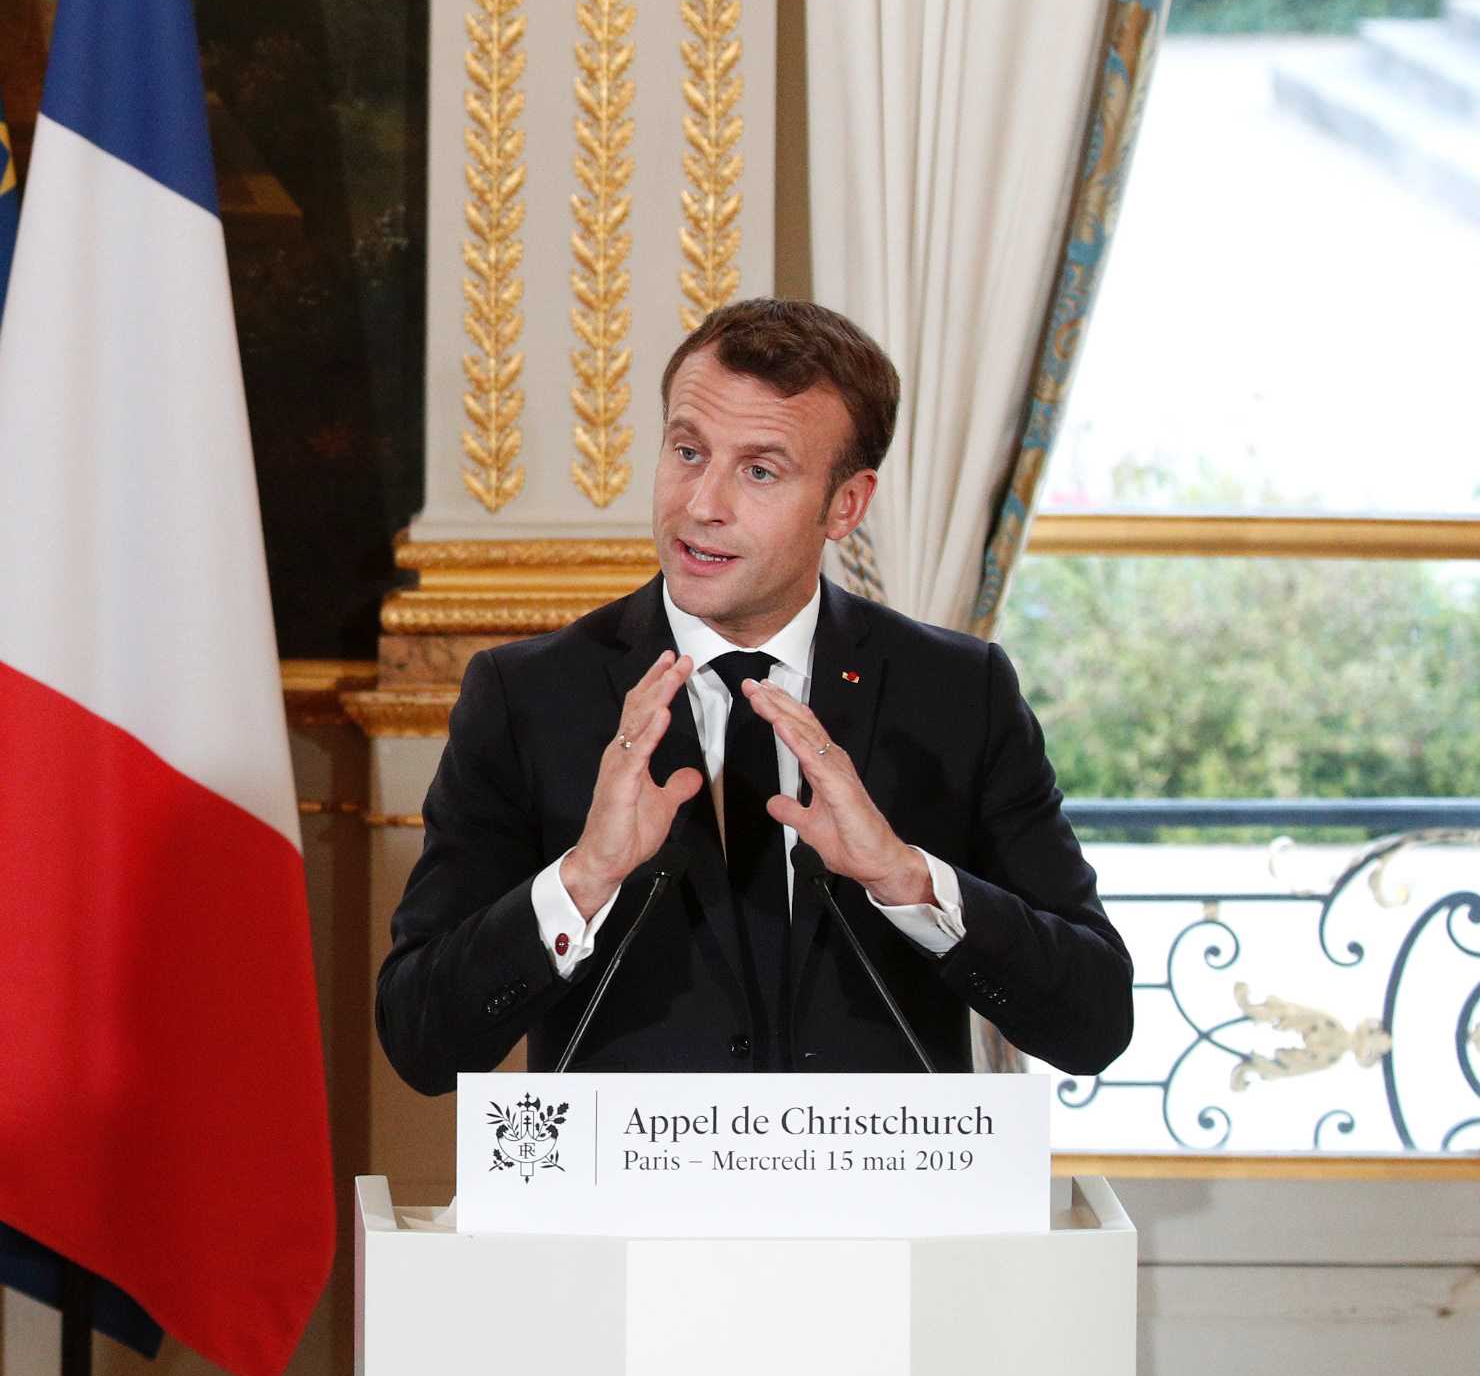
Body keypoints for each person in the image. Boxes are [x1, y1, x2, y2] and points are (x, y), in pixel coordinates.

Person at [376, 299, 1133, 1087]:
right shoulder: (527, 695)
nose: (702, 505)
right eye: (688, 451)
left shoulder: (956, 692)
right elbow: (421, 1042)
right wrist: (582, 879)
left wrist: (909, 880)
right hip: (624, 1205)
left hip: (880, 1201)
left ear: (845, 505)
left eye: (760, 471)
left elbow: (1095, 1024)